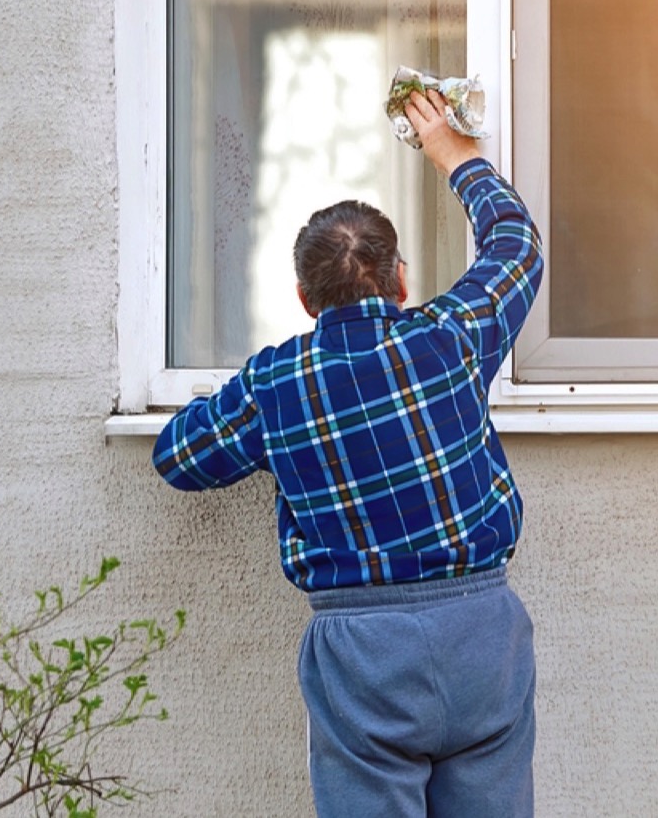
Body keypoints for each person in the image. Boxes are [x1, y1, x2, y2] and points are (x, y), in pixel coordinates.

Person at [151, 89, 543, 818]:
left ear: (305, 299)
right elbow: (515, 246)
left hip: (360, 648)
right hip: (481, 630)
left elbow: (179, 457)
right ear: (399, 282)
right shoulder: (449, 338)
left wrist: (245, 393)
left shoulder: (277, 383)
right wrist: (457, 157)